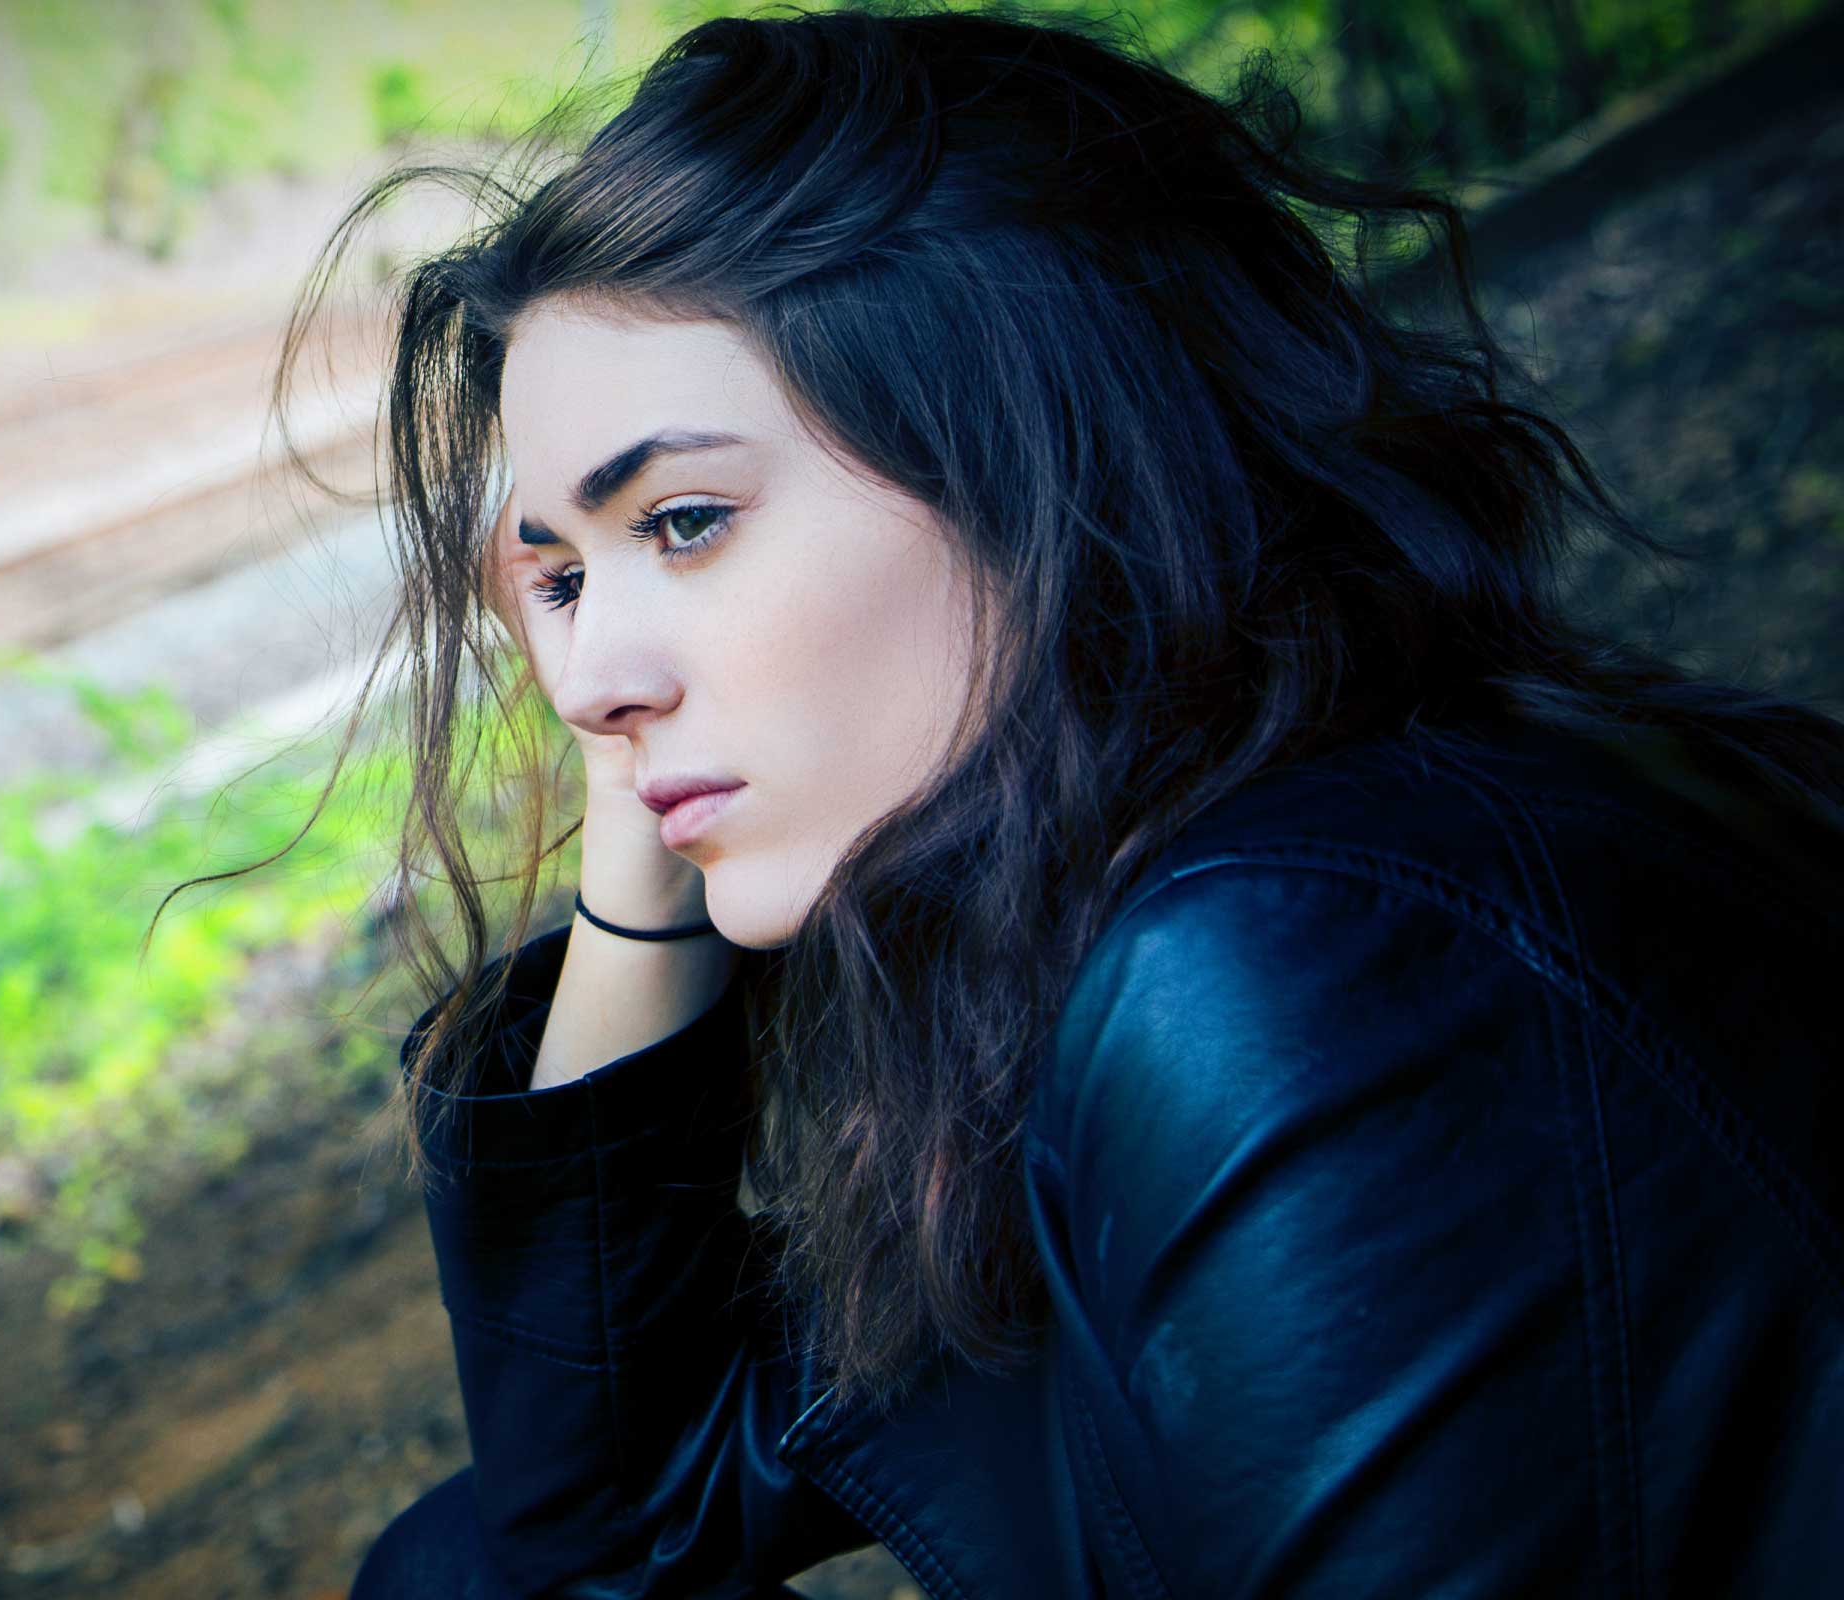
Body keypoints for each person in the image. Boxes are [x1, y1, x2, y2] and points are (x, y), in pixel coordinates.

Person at [154, 6, 1844, 1595]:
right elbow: (608, 1518)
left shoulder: (1303, 967)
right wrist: (639, 800)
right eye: (558, 575)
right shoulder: (1125, 907)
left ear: (1027, 453)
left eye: (679, 521)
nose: (588, 677)